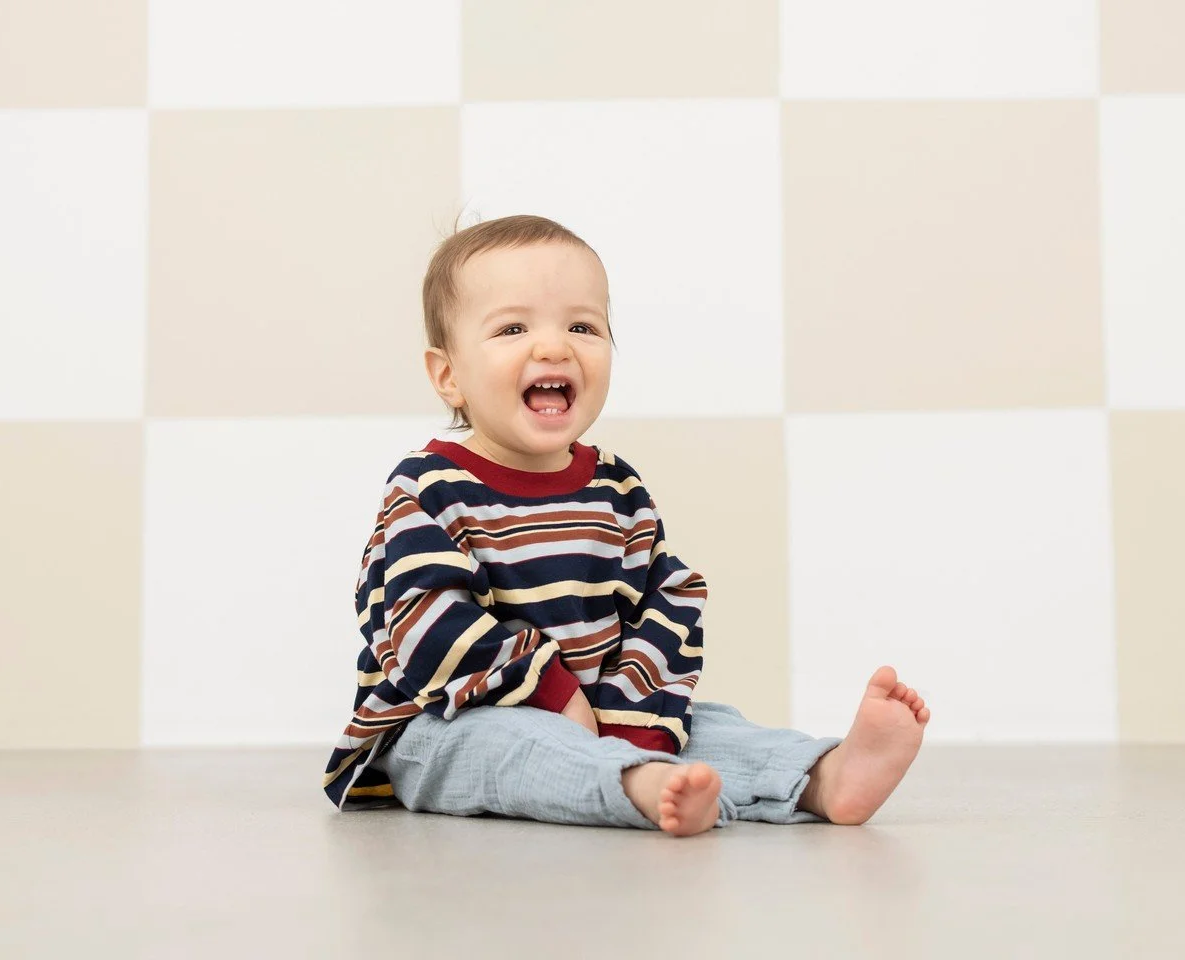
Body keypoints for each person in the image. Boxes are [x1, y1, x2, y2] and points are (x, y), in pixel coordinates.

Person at [321, 214, 931, 836]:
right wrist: (552, 693)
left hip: (597, 709)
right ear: (448, 375)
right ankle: (632, 783)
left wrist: (631, 710)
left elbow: (669, 600)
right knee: (509, 746)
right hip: (442, 721)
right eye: (512, 328)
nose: (554, 347)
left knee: (703, 723)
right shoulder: (428, 489)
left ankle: (822, 777)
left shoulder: (617, 489)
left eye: (583, 326)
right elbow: (424, 624)